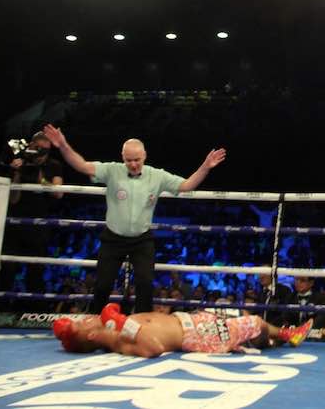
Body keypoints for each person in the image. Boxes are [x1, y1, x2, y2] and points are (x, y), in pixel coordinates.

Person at [42, 123, 226, 314]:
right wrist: (63, 145)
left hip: (142, 239)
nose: (133, 164)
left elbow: (187, 185)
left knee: (145, 285)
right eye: (129, 160)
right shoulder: (112, 170)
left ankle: (141, 326)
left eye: (137, 159)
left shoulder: (157, 175)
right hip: (113, 238)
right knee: (103, 285)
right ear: (123, 158)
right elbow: (82, 165)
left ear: (144, 156)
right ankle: (94, 323)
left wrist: (205, 167)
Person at [53, 303, 313, 357]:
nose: (86, 318)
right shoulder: (116, 340)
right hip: (194, 335)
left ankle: (273, 341)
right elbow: (152, 347)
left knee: (246, 323)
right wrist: (122, 322)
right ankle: (290, 334)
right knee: (254, 322)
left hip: (191, 322)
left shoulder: (112, 328)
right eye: (81, 323)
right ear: (90, 335)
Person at [0, 131, 64, 302]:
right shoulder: (19, 162)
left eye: (47, 150)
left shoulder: (53, 165)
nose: (43, 153)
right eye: (39, 149)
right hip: (15, 223)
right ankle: (0, 309)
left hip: (39, 225)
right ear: (31, 146)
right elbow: (13, 200)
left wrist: (41, 177)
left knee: (36, 270)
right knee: (7, 268)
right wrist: (18, 174)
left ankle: (34, 310)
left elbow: (58, 193)